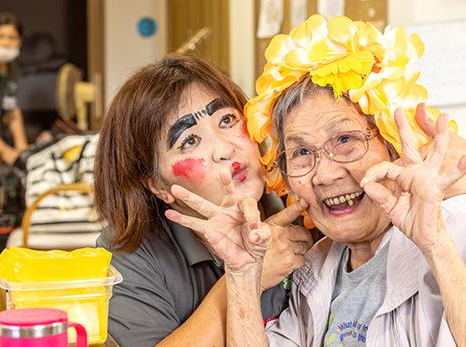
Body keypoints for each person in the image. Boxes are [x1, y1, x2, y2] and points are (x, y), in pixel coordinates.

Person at [165, 15, 466, 346]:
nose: (326, 174)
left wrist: (436, 246)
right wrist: (242, 275)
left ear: (393, 143)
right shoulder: (316, 266)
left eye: (345, 140)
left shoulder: (459, 223)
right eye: (301, 153)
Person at [93, 54, 314, 347]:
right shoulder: (127, 252)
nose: (224, 149)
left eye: (227, 120)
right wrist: (250, 276)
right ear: (157, 186)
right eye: (189, 141)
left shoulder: (303, 200)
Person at [0, 12, 28, 166]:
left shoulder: (13, 69)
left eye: (12, 37)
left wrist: (23, 149)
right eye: (0, 36)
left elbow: (13, 110)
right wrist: (4, 151)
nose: (6, 43)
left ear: (20, 40)